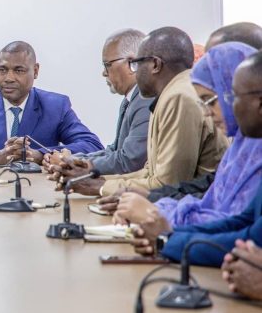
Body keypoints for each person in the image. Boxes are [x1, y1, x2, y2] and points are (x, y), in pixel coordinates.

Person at [55, 27, 228, 196]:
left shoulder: (179, 96)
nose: (135, 72)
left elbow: (168, 184)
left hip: (198, 206)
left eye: (137, 64)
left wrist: (100, 187)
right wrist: (92, 179)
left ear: (155, 64)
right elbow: (150, 172)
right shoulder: (170, 92)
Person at [127, 51, 262, 267]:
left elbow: (251, 238)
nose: (230, 107)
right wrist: (168, 235)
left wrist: (167, 239)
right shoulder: (243, 146)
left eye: (233, 97)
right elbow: (241, 222)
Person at [0, 41, 103, 165]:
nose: (9, 78)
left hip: (39, 192)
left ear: (35, 71)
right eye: (2, 70)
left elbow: (93, 146)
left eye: (19, 70)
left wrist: (41, 155)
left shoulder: (56, 106)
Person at [68, 29, 152, 174]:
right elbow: (115, 150)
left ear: (132, 63)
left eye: (107, 64)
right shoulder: (130, 100)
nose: (104, 72)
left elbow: (130, 161)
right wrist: (73, 160)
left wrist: (79, 165)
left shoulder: (145, 100)